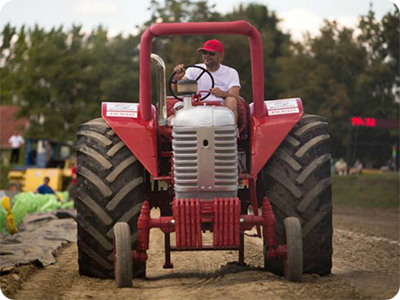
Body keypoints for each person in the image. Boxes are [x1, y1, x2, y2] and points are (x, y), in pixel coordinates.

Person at [172, 39, 241, 122]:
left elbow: (235, 97)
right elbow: (176, 90)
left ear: (221, 56)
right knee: (175, 112)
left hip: (221, 109)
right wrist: (177, 78)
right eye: (204, 53)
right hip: (196, 106)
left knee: (231, 100)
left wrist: (222, 94)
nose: (207, 56)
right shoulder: (193, 70)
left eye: (211, 53)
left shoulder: (230, 72)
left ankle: (229, 131)